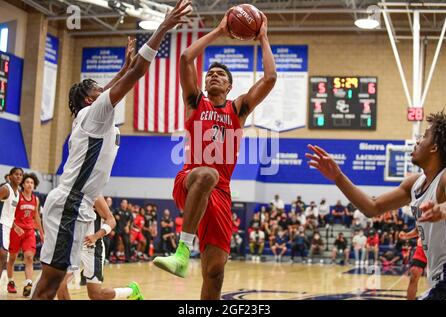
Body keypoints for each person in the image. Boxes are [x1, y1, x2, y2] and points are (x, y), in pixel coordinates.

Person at [31, 2, 191, 300]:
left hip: (72, 203)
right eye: (98, 90)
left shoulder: (89, 115)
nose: (105, 90)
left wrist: (123, 66)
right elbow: (137, 74)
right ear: (91, 100)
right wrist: (163, 28)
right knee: (50, 288)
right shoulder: (95, 114)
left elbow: (119, 80)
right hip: (71, 205)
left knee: (53, 284)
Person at [153, 8, 276, 300]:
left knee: (215, 272)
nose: (213, 77)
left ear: (230, 85)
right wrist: (220, 30)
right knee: (208, 173)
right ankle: (182, 250)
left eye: (220, 74)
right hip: (190, 179)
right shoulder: (196, 103)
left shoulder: (238, 109)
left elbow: (270, 77)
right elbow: (185, 58)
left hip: (221, 193)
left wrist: (263, 37)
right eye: (209, 74)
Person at [305, 111, 446, 300]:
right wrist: (338, 177)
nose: (417, 140)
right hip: (439, 283)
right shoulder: (414, 183)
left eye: (424, 136)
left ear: (434, 148)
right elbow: (372, 207)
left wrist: (441, 210)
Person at [56, 196, 143, 300]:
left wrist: (95, 236)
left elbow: (111, 220)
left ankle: (130, 291)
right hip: (74, 248)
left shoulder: (94, 196)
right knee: (59, 282)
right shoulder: (69, 195)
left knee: (95, 295)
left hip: (92, 249)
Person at [6, 172, 44, 296]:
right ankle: (11, 282)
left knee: (29, 257)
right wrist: (15, 227)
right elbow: (9, 215)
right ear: (23, 184)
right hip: (15, 231)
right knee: (12, 258)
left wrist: (42, 233)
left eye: (32, 182)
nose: (30, 184)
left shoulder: (36, 199)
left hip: (29, 232)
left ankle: (28, 283)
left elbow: (36, 216)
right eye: (27, 182)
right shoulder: (17, 197)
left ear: (35, 185)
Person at [0, 168, 23, 285]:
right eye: (16, 174)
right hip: (1, 224)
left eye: (20, 175)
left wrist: (15, 226)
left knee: (3, 258)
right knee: (3, 256)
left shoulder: (18, 194)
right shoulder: (5, 189)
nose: (18, 176)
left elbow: (9, 213)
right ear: (10, 176)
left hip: (7, 227)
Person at [399, 227, 427, 300]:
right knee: (414, 272)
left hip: (441, 248)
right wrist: (407, 235)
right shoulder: (418, 215)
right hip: (423, 247)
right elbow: (419, 227)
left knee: (440, 280)